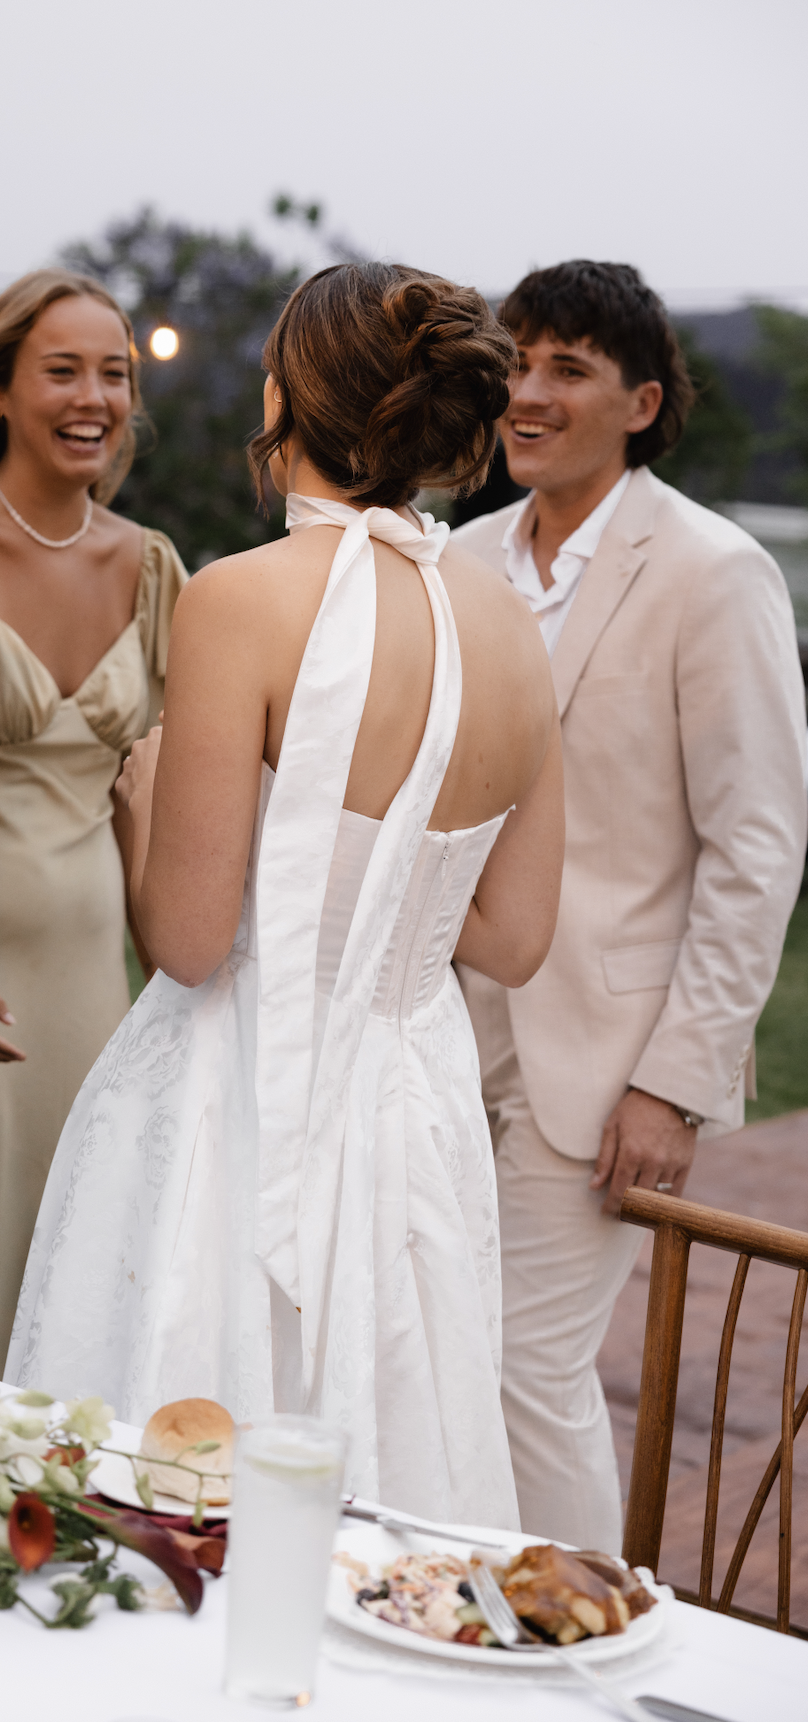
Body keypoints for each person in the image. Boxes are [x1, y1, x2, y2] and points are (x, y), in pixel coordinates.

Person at [8, 262, 565, 1523]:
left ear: (283, 400)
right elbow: (515, 936)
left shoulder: (239, 599)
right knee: (394, 1442)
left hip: (240, 1088)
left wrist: (146, 788)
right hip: (414, 1098)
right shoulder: (511, 627)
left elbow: (194, 942)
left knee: (176, 1443)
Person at [450, 260, 808, 1550]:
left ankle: (587, 1644)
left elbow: (755, 844)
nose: (525, 393)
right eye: (515, 365)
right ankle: (451, 1629)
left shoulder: (711, 572)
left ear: (641, 402)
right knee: (435, 1358)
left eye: (566, 370)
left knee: (522, 1370)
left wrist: (675, 1078)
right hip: (437, 1036)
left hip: (597, 1063)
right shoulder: (462, 555)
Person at [0, 272, 187, 1380]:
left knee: (80, 1258)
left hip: (91, 979)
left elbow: (174, 787)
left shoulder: (154, 568)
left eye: (114, 373)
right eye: (63, 369)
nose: (95, 396)